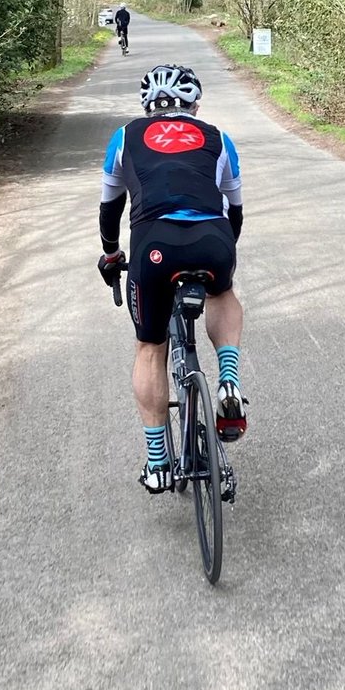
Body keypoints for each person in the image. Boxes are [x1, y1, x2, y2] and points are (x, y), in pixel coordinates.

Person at [97, 64, 247, 493]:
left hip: (154, 246)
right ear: (194, 104)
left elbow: (110, 209)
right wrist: (222, 260)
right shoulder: (218, 137)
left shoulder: (125, 136)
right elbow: (235, 210)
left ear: (147, 106)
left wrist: (112, 254)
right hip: (213, 238)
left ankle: (159, 462)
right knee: (223, 294)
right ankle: (229, 379)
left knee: (150, 347)